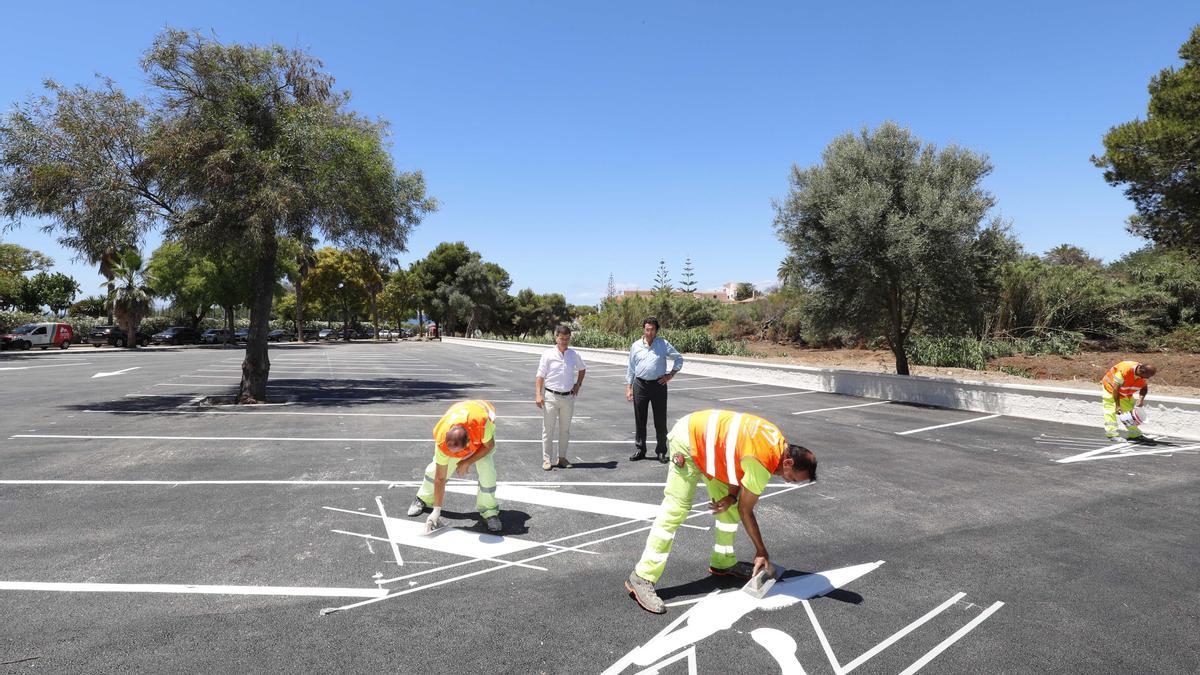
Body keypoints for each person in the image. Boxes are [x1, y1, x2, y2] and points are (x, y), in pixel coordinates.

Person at [624, 409, 817, 614]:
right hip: (688, 440)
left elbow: (737, 460)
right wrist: (761, 551)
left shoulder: (778, 442)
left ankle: (723, 562)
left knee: (728, 508)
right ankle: (642, 576)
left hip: (711, 449)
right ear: (788, 462)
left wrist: (731, 496)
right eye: (794, 478)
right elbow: (746, 510)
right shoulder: (762, 460)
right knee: (676, 509)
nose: (789, 482)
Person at [406, 399, 503, 533]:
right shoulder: (441, 437)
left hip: (482, 439)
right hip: (462, 431)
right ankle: (423, 498)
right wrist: (436, 510)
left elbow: (489, 446)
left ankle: (489, 512)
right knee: (435, 470)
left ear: (469, 442)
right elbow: (440, 478)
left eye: (460, 453)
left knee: (488, 473)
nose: (458, 456)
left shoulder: (481, 423)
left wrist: (467, 461)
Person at [625, 317, 683, 463]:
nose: (649, 332)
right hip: (640, 385)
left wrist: (670, 375)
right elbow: (631, 367)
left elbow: (679, 358)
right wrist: (629, 387)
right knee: (640, 419)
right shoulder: (636, 346)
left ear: (656, 330)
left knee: (660, 420)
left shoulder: (663, 344)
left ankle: (662, 451)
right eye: (647, 329)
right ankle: (641, 449)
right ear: (643, 329)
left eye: (652, 330)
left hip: (658, 385)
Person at [535, 325, 588, 471]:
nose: (564, 341)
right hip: (551, 396)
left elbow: (582, 369)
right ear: (556, 337)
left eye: (567, 339)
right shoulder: (547, 354)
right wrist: (538, 394)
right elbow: (540, 376)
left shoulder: (573, 354)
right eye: (561, 338)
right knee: (548, 430)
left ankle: (562, 458)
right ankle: (546, 460)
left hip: (568, 398)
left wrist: (578, 384)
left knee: (565, 430)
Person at [1101, 360, 1157, 442]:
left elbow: (1144, 387)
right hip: (1110, 389)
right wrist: (1118, 406)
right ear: (1140, 371)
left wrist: (1141, 399)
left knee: (1129, 413)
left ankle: (1135, 435)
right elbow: (1116, 389)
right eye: (1147, 376)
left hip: (1124, 392)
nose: (1147, 378)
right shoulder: (1124, 370)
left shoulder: (1142, 374)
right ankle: (1112, 434)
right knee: (1110, 411)